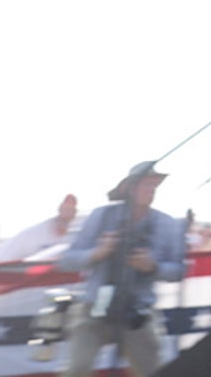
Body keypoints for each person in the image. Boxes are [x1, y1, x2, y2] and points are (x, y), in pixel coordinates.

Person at [56, 161, 187, 377]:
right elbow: (66, 260)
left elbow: (178, 271)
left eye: (154, 186)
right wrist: (98, 252)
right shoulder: (101, 216)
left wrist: (152, 266)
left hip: (138, 312)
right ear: (129, 187)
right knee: (77, 369)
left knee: (153, 370)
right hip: (94, 308)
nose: (150, 190)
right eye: (145, 184)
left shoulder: (167, 224)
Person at [0, 193, 82, 263]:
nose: (69, 213)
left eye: (72, 210)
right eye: (66, 209)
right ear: (60, 209)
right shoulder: (33, 234)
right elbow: (3, 259)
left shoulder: (72, 236)